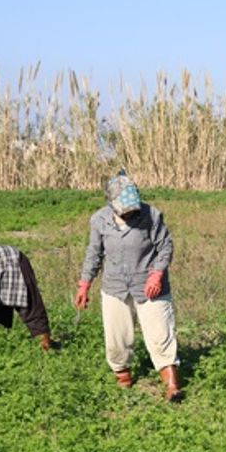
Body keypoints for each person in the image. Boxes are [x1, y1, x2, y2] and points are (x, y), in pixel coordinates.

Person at [75, 171, 183, 401]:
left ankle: (172, 386)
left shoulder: (151, 215)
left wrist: (156, 274)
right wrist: (84, 284)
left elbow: (165, 246)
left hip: (149, 285)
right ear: (112, 204)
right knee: (117, 339)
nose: (132, 211)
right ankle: (123, 381)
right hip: (115, 286)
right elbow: (94, 254)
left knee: (160, 334)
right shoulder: (99, 220)